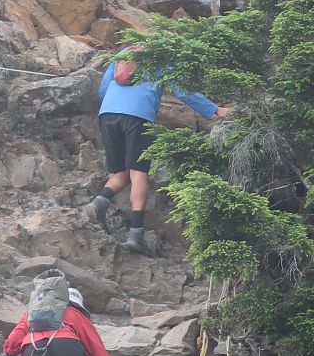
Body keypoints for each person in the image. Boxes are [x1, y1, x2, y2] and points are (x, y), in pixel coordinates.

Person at [89, 45, 232, 254]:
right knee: (139, 174)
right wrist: (214, 110)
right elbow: (183, 92)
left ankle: (96, 206)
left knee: (119, 173)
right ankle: (136, 234)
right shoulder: (162, 58)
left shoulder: (123, 54)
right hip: (138, 116)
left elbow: (103, 89)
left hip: (108, 114)